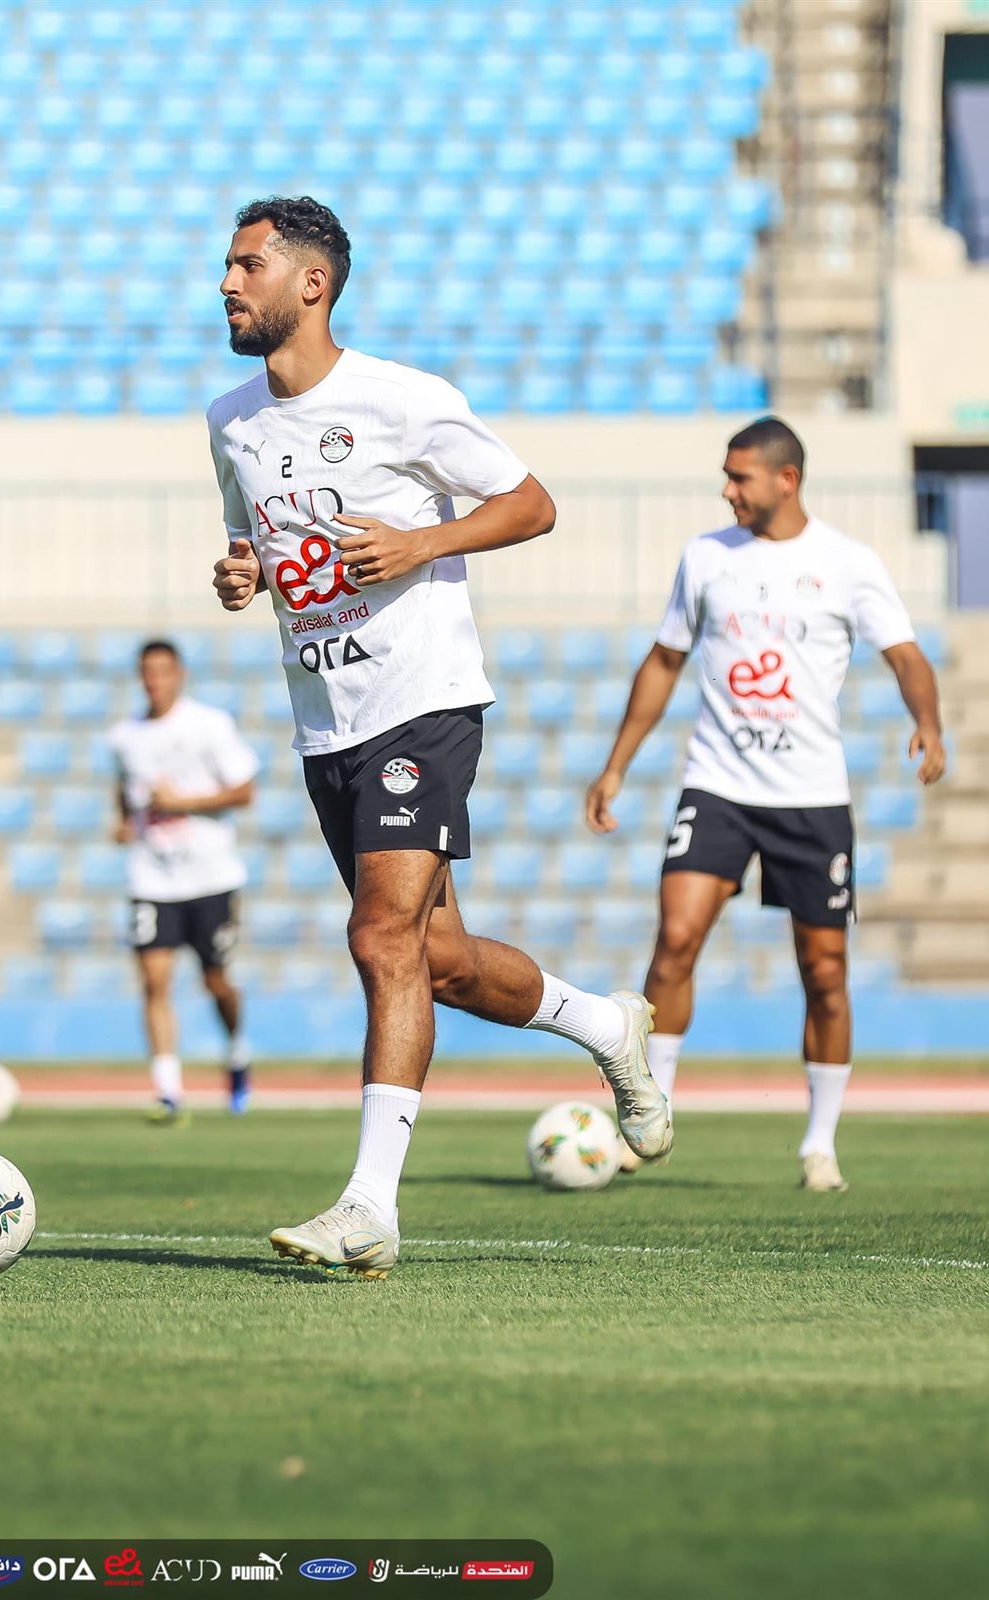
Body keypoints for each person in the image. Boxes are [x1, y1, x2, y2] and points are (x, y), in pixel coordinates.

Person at [206, 195, 670, 1278]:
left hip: (423, 702)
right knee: (440, 961)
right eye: (225, 268)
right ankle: (606, 1027)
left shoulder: (403, 400)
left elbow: (531, 504)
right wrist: (241, 573)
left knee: (380, 939)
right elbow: (253, 543)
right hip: (326, 720)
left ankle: (369, 1205)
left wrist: (421, 542)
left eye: (246, 267)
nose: (226, 285)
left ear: (311, 284)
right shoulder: (229, 419)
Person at [585, 417, 946, 1191]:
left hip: (812, 798)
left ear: (787, 479)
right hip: (718, 785)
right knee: (675, 939)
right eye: (726, 475)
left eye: (740, 476)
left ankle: (819, 1144)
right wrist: (616, 767)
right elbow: (665, 660)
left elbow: (906, 655)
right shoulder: (706, 557)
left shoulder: (849, 563)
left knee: (824, 970)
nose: (727, 490)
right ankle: (651, 1116)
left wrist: (928, 723)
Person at [109, 639, 260, 1121]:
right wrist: (122, 821)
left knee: (216, 981)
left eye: (162, 671)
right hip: (151, 877)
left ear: (179, 674)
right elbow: (124, 789)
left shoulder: (209, 725)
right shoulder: (125, 736)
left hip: (211, 875)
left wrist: (182, 804)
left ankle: (236, 1051)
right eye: (146, 672)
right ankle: (167, 1089)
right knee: (154, 980)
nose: (154, 680)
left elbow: (244, 792)